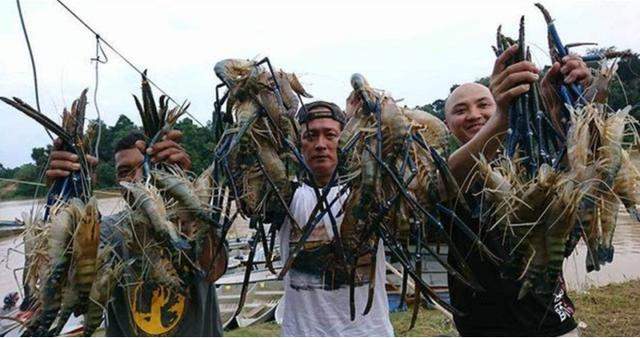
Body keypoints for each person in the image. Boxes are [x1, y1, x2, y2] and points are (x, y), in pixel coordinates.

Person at [444, 44, 591, 336]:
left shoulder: (536, 160)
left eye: (483, 104)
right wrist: (500, 116)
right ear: (448, 125)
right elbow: (450, 176)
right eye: (460, 111)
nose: (474, 114)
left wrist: (579, 96)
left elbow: (583, 161)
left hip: (552, 325)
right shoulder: (450, 170)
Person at [44, 130, 228, 336]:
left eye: (145, 165)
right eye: (124, 171)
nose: (137, 178)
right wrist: (59, 198)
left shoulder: (196, 220)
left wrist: (186, 198)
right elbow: (66, 289)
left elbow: (214, 270)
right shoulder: (106, 232)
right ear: (117, 181)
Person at [278, 101, 394, 336]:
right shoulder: (283, 198)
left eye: (330, 135)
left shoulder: (375, 191)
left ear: (346, 139)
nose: (321, 145)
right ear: (298, 145)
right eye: (310, 136)